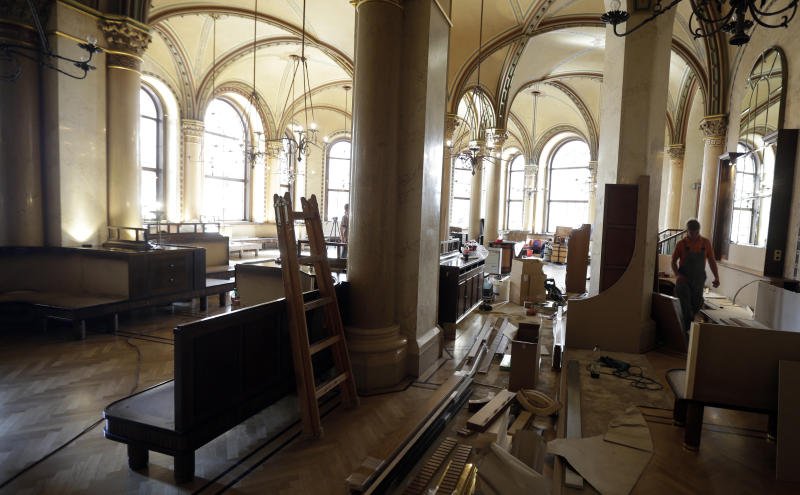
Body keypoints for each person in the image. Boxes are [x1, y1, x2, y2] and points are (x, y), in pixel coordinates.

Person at [671, 219, 720, 333]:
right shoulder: (681, 244)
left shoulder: (705, 243)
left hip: (698, 279)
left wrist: (716, 277)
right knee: (685, 304)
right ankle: (685, 331)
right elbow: (673, 262)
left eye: (696, 232)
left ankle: (689, 327)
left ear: (699, 230)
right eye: (691, 233)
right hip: (684, 279)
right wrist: (677, 275)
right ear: (687, 231)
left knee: (697, 303)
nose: (694, 235)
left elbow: (711, 260)